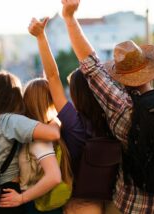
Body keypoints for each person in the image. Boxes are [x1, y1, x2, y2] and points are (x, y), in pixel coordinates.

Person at [61, 0, 154, 213]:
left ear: (121, 78)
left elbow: (91, 65)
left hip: (127, 207)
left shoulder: (122, 109)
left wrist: (70, 18)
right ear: (150, 69)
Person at [27, 17, 114, 214]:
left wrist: (41, 37)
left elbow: (52, 77)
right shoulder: (112, 119)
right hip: (104, 203)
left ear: (75, 94)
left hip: (77, 204)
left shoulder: (74, 124)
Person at [0, 71, 61, 214]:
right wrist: (55, 118)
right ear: (15, 96)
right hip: (7, 195)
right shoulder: (9, 121)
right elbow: (53, 134)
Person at [0, 78, 73, 214]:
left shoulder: (39, 139)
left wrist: (21, 198)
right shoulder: (46, 131)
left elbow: (54, 177)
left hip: (38, 206)